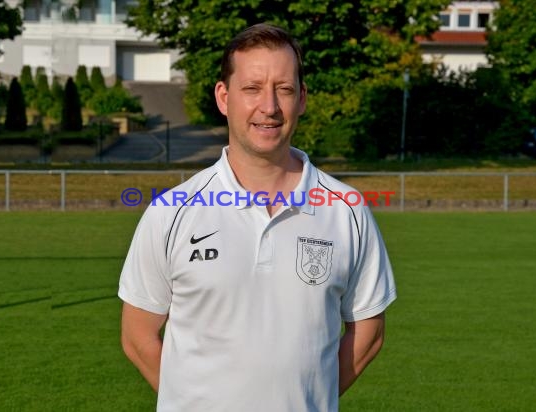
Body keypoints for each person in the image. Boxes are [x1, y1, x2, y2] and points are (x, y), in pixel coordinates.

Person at [118, 23, 396, 411]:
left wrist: (309, 399)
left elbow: (368, 333)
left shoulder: (347, 210)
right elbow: (137, 335)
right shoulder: (172, 211)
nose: (269, 107)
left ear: (301, 98)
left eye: (283, 89)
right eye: (252, 89)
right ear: (224, 96)